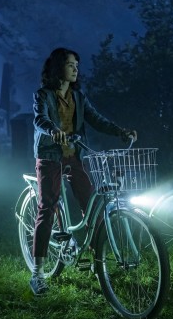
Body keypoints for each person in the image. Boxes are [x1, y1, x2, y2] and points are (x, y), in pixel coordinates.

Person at [30, 47, 137, 295]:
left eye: (77, 65)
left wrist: (120, 132)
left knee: (91, 203)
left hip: (73, 155)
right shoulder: (43, 95)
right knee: (47, 207)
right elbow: (39, 118)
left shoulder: (78, 97)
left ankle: (96, 261)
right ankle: (37, 273)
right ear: (58, 67)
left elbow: (96, 119)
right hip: (50, 156)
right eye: (70, 64)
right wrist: (52, 130)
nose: (75, 69)